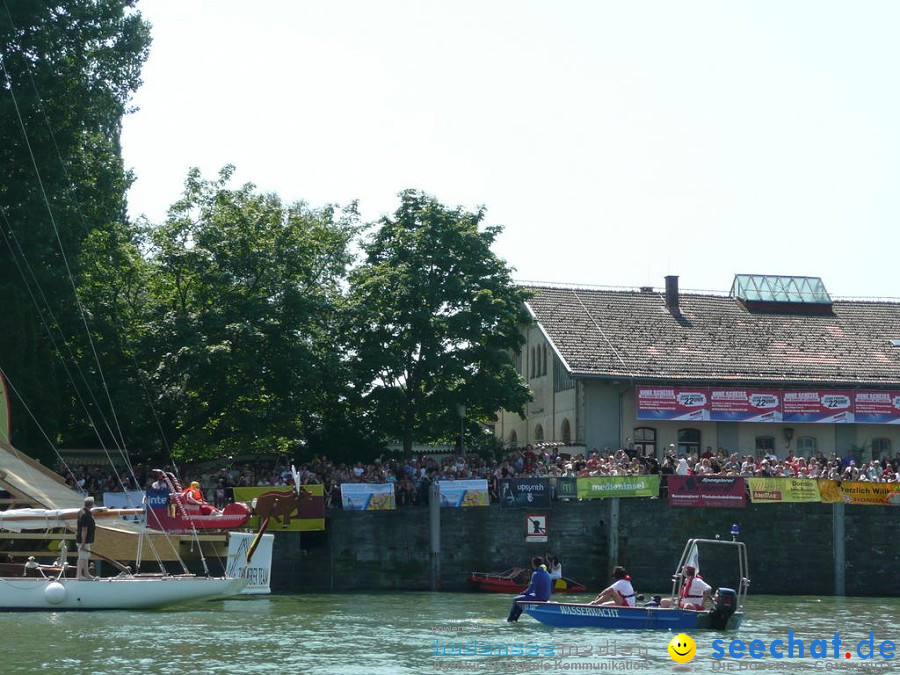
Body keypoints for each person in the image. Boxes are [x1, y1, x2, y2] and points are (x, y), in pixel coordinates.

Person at [507, 557, 552, 622]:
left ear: (534, 564)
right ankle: (515, 618)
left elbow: (530, 590)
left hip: (539, 597)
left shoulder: (536, 574)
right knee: (521, 600)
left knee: (516, 599)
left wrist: (523, 593)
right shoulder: (547, 573)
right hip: (546, 597)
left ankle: (510, 619)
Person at [75, 496, 96, 580]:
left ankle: (86, 573)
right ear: (92, 505)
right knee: (82, 557)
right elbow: (84, 529)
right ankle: (79, 575)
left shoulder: (82, 511)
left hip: (85, 540)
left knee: (85, 557)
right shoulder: (86, 515)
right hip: (83, 540)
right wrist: (83, 543)